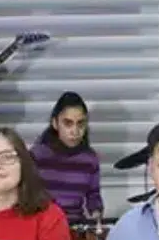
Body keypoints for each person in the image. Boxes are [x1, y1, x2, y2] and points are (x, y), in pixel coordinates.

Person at [29, 91, 103, 220]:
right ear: (55, 123)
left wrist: (96, 215)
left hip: (75, 224)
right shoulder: (37, 156)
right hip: (43, 224)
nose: (75, 131)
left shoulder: (90, 159)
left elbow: (93, 197)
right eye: (68, 123)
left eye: (80, 124)